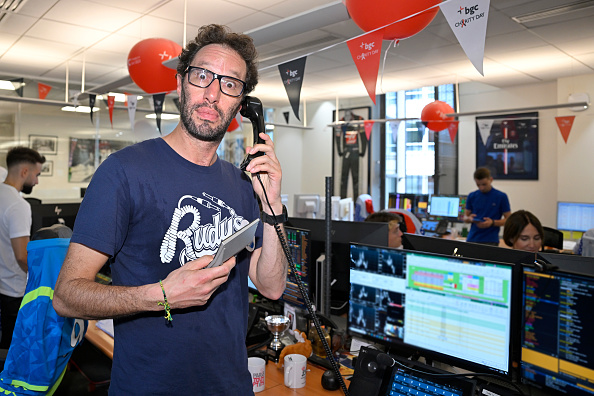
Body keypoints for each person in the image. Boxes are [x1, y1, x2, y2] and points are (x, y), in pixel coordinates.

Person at [53, 24, 287, 395]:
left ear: (242, 105)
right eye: (202, 76)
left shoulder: (245, 185)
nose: (212, 93)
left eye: (229, 84)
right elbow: (66, 296)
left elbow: (272, 287)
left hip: (230, 386)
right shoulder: (124, 172)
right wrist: (161, 295)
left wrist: (273, 206)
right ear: (180, 83)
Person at [0, 146, 45, 348]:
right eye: (36, 174)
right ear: (24, 172)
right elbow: (22, 256)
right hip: (14, 290)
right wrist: (44, 277)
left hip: (2, 284)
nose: (36, 181)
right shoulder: (18, 205)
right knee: (13, 348)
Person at [463, 167, 511, 245]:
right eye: (478, 185)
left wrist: (492, 222)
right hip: (472, 239)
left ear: (491, 180)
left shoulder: (501, 196)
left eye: (484, 184)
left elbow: (509, 220)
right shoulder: (472, 196)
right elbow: (465, 217)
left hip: (491, 240)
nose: (481, 187)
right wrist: (469, 219)